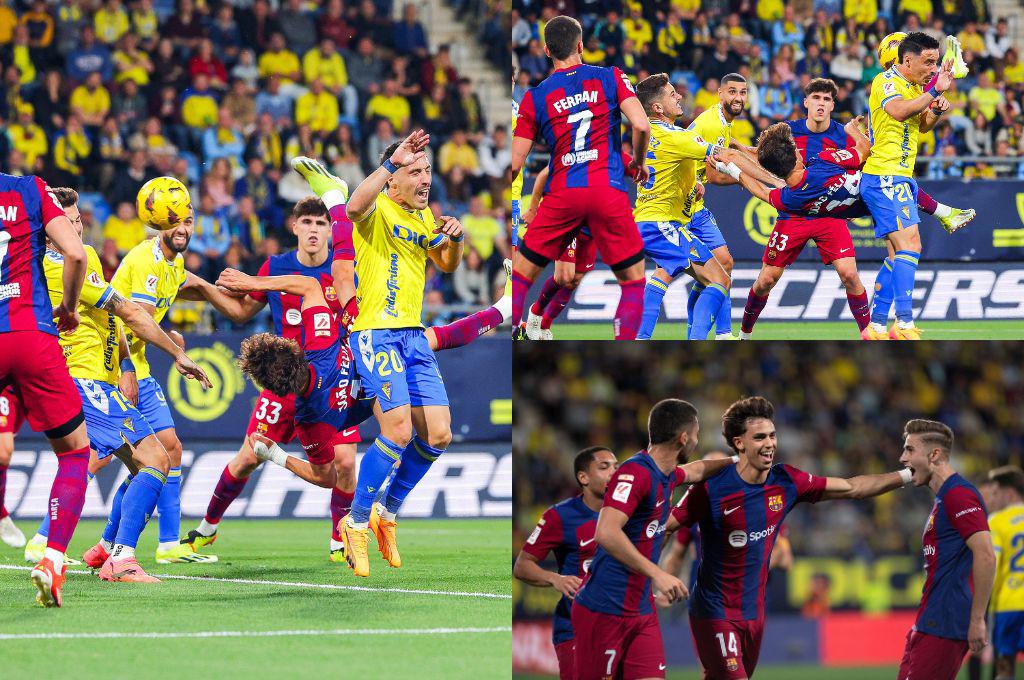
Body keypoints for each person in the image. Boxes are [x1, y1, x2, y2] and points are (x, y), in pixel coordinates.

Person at [24, 188, 211, 582]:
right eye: (67, 222)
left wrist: (125, 362)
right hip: (83, 381)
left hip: (99, 381)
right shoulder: (60, 267)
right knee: (156, 459)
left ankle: (107, 548)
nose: (76, 227)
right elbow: (127, 311)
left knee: (137, 462)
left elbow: (110, 321)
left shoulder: (78, 258)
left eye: (78, 221)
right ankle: (119, 557)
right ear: (49, 229)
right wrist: (176, 353)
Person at [666, 396, 913, 679]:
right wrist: (650, 574)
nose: (769, 443)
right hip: (714, 612)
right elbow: (665, 527)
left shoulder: (787, 482)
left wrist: (907, 474)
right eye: (759, 437)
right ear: (739, 443)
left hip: (754, 614)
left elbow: (851, 487)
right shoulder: (710, 489)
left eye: (772, 435)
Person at [175, 197, 360, 562]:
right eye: (306, 222)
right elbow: (241, 311)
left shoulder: (343, 272)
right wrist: (206, 289)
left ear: (330, 230)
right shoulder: (276, 266)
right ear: (294, 227)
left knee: (347, 463)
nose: (313, 230)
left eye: (322, 223)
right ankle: (207, 529)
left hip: (331, 383)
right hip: (284, 385)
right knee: (246, 458)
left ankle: (340, 540)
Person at [571, 399, 738, 680]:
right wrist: (657, 574)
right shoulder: (635, 473)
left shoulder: (667, 474)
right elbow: (606, 532)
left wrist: (739, 459)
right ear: (683, 438)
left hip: (641, 611)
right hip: (603, 609)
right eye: (696, 435)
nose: (696, 441)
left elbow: (698, 470)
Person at [510, 15, 651, 340]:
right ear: (580, 45)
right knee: (632, 282)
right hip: (607, 189)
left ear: (546, 50)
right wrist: (639, 163)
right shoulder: (611, 76)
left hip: (562, 194)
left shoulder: (535, 97)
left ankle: (511, 340)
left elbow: (515, 164)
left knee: (521, 277)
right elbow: (641, 126)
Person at [0, 172, 90, 607]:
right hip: (31, 332)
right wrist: (69, 309)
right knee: (75, 451)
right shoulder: (28, 189)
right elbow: (74, 253)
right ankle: (53, 559)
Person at [632, 73, 755, 341]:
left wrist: (693, 183)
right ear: (657, 107)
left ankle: (645, 337)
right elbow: (723, 158)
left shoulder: (655, 132)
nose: (679, 96)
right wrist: (770, 186)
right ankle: (711, 336)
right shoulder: (687, 130)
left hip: (656, 218)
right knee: (717, 278)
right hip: (665, 221)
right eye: (671, 94)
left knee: (713, 272)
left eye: (743, 92)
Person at [860, 32, 953, 339]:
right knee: (911, 245)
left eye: (936, 62)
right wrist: (933, 91)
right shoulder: (886, 81)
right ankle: (903, 323)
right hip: (885, 175)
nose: (933, 68)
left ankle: (875, 326)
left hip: (896, 175)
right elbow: (898, 111)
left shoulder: (914, 86)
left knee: (895, 254)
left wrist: (936, 109)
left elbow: (921, 125)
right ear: (907, 59)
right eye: (929, 62)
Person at [896, 419, 995, 680]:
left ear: (934, 454)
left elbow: (985, 555)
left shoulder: (959, 495)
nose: (902, 457)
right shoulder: (944, 497)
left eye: (909, 450)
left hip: (946, 622)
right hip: (931, 618)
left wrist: (977, 619)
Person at [513, 447, 618, 679]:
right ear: (583, 477)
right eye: (604, 467)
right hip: (576, 627)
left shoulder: (631, 512)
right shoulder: (560, 516)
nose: (614, 472)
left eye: (616, 466)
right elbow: (522, 565)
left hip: (622, 623)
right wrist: (555, 578)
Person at [984, 465, 1024, 680]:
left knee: (1005, 668)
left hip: (1008, 605)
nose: (992, 497)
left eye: (995, 492)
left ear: (1009, 493)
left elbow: (991, 563)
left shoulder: (997, 521)